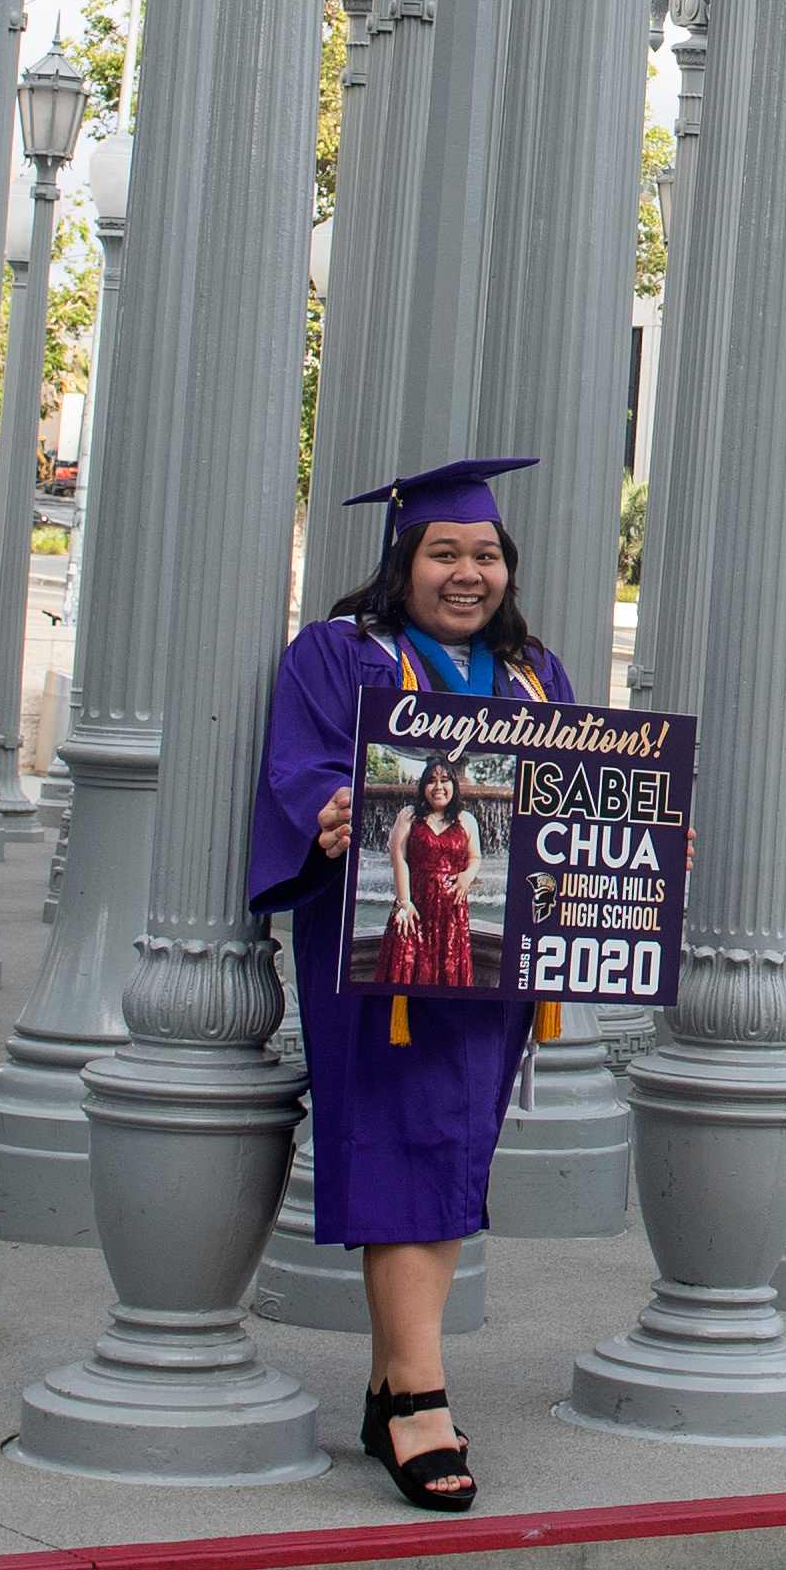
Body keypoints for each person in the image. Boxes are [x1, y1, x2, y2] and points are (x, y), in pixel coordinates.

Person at [249, 453, 566, 1512]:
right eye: (444, 552)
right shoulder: (338, 655)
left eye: (484, 554)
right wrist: (327, 810)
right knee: (401, 1138)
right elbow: (300, 768)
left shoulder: (534, 675)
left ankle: (392, 1385)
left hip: (487, 960)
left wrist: (640, 836)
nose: (467, 572)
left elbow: (578, 788)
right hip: (379, 957)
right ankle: (419, 1397)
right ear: (403, 561)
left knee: (451, 1140)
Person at [385, 761, 485, 991]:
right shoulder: (409, 816)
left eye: (444, 780)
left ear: (453, 785)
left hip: (452, 913)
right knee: (405, 969)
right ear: (423, 787)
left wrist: (467, 876)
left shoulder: (466, 820)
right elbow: (398, 857)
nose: (438, 786)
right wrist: (404, 902)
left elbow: (475, 857)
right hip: (414, 908)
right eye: (431, 781)